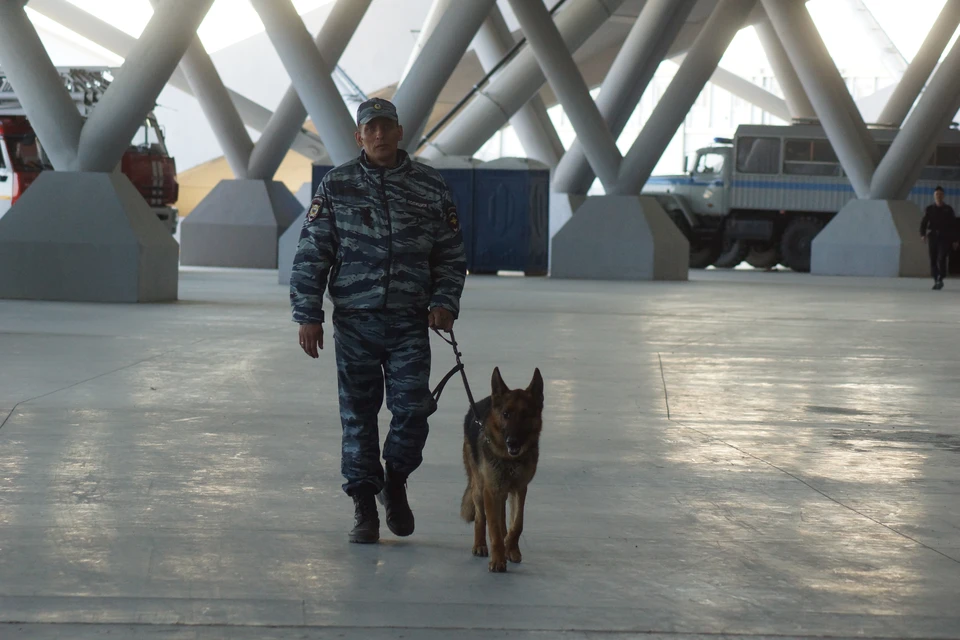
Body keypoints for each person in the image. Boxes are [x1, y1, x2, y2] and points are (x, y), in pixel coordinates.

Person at [289, 97, 467, 543]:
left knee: (413, 409)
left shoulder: (429, 185)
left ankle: (397, 480)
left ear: (399, 131)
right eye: (371, 128)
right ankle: (364, 504)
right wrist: (308, 313)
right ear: (359, 136)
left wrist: (445, 299)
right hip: (355, 322)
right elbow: (312, 252)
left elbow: (450, 253)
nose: (380, 135)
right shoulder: (338, 184)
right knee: (358, 416)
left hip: (411, 321)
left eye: (387, 127)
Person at [920, 185, 956, 290]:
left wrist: (955, 240)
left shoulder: (948, 209)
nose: (938, 196)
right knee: (933, 259)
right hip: (933, 237)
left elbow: (954, 225)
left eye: (940, 194)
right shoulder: (929, 209)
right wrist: (923, 234)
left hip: (945, 237)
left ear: (943, 196)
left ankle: (941, 276)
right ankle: (936, 279)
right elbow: (924, 223)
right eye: (936, 194)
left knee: (941, 258)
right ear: (934, 196)